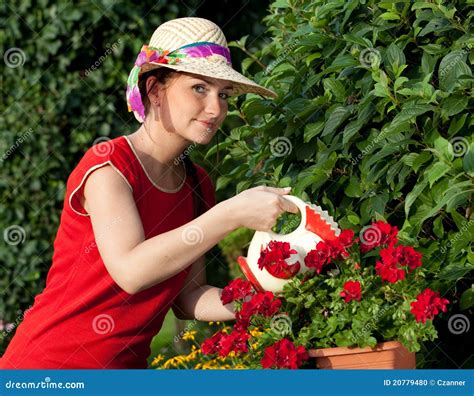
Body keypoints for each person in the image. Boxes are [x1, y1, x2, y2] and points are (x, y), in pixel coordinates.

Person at [0, 17, 298, 369]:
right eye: (199, 88)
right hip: (50, 367)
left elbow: (189, 296)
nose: (216, 109)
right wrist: (231, 214)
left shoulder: (197, 182)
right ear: (155, 90)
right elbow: (131, 271)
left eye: (223, 94)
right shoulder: (108, 168)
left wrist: (268, 297)